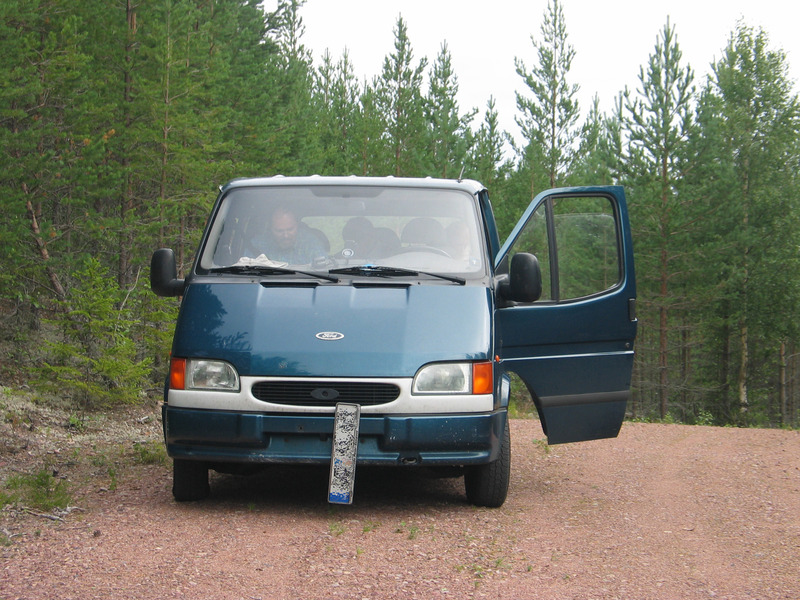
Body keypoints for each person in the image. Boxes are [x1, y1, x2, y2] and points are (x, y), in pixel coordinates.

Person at [251, 206, 327, 264]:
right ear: (270, 229)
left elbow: (325, 270)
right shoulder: (257, 245)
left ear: (297, 226)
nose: (286, 236)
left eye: (290, 229)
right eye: (279, 231)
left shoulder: (311, 244)